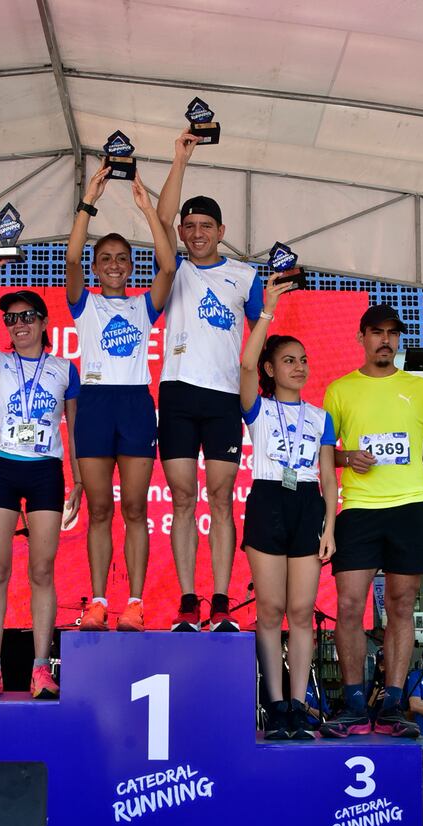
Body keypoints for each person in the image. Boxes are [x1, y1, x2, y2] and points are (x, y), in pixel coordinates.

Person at [319, 302, 423, 738]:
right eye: (376, 332)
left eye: (392, 333)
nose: (385, 340)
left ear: (399, 339)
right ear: (361, 338)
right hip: (358, 509)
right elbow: (321, 451)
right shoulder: (338, 390)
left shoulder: (420, 388)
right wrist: (345, 455)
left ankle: (392, 702)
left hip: (411, 506)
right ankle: (355, 701)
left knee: (401, 606)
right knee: (350, 606)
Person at [156, 131, 263, 632]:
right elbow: (160, 217)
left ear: (221, 230)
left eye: (206, 226)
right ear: (182, 231)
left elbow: (262, 334)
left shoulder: (245, 276)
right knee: (181, 498)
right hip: (176, 393)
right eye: (189, 225)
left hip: (223, 398)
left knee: (220, 498)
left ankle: (221, 603)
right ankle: (187, 601)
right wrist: (181, 158)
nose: (196, 233)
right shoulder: (172, 268)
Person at [65, 169, 176, 631]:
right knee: (99, 510)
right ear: (96, 267)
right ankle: (96, 602)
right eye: (105, 258)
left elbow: (169, 268)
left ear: (131, 266)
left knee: (134, 509)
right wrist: (88, 201)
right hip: (93, 405)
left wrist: (148, 210)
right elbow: (70, 259)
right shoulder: (83, 302)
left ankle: (134, 603)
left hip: (133, 404)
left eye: (122, 259)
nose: (113, 264)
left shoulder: (142, 306)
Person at [0, 259, 81, 699]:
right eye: (11, 319)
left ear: (44, 321)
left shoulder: (65, 369)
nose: (19, 325)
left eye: (27, 317)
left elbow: (74, 428)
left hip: (46, 472)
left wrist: (80, 482)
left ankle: (39, 670)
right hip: (3, 468)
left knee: (41, 571)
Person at [240, 274, 336, 739]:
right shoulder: (256, 407)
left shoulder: (321, 417)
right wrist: (268, 310)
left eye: (303, 360)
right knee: (271, 610)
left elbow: (329, 475)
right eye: (288, 361)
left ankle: (299, 704)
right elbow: (242, 366)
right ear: (271, 368)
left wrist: (330, 526)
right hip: (267, 499)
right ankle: (274, 705)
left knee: (302, 611)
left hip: (307, 506)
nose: (298, 367)